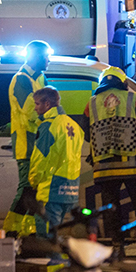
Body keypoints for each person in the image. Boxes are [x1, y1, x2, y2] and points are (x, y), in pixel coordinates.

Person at [84, 66, 136, 253]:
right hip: (132, 164)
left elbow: (87, 134)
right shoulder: (134, 99)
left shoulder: (91, 103)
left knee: (111, 209)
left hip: (104, 166)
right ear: (123, 82)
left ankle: (118, 246)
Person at [4, 40, 51, 236]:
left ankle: (29, 236)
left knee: (35, 192)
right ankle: (10, 232)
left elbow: (53, 104)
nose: (49, 60)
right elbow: (31, 112)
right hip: (27, 144)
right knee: (26, 190)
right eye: (46, 56)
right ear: (35, 56)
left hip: (39, 145)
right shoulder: (21, 79)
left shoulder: (40, 78)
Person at [29, 87, 84, 238]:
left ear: (47, 104)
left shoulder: (49, 125)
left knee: (46, 236)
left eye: (37, 104)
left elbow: (40, 158)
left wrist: (34, 181)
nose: (35, 108)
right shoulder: (75, 126)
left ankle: (53, 260)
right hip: (70, 188)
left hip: (51, 188)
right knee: (57, 233)